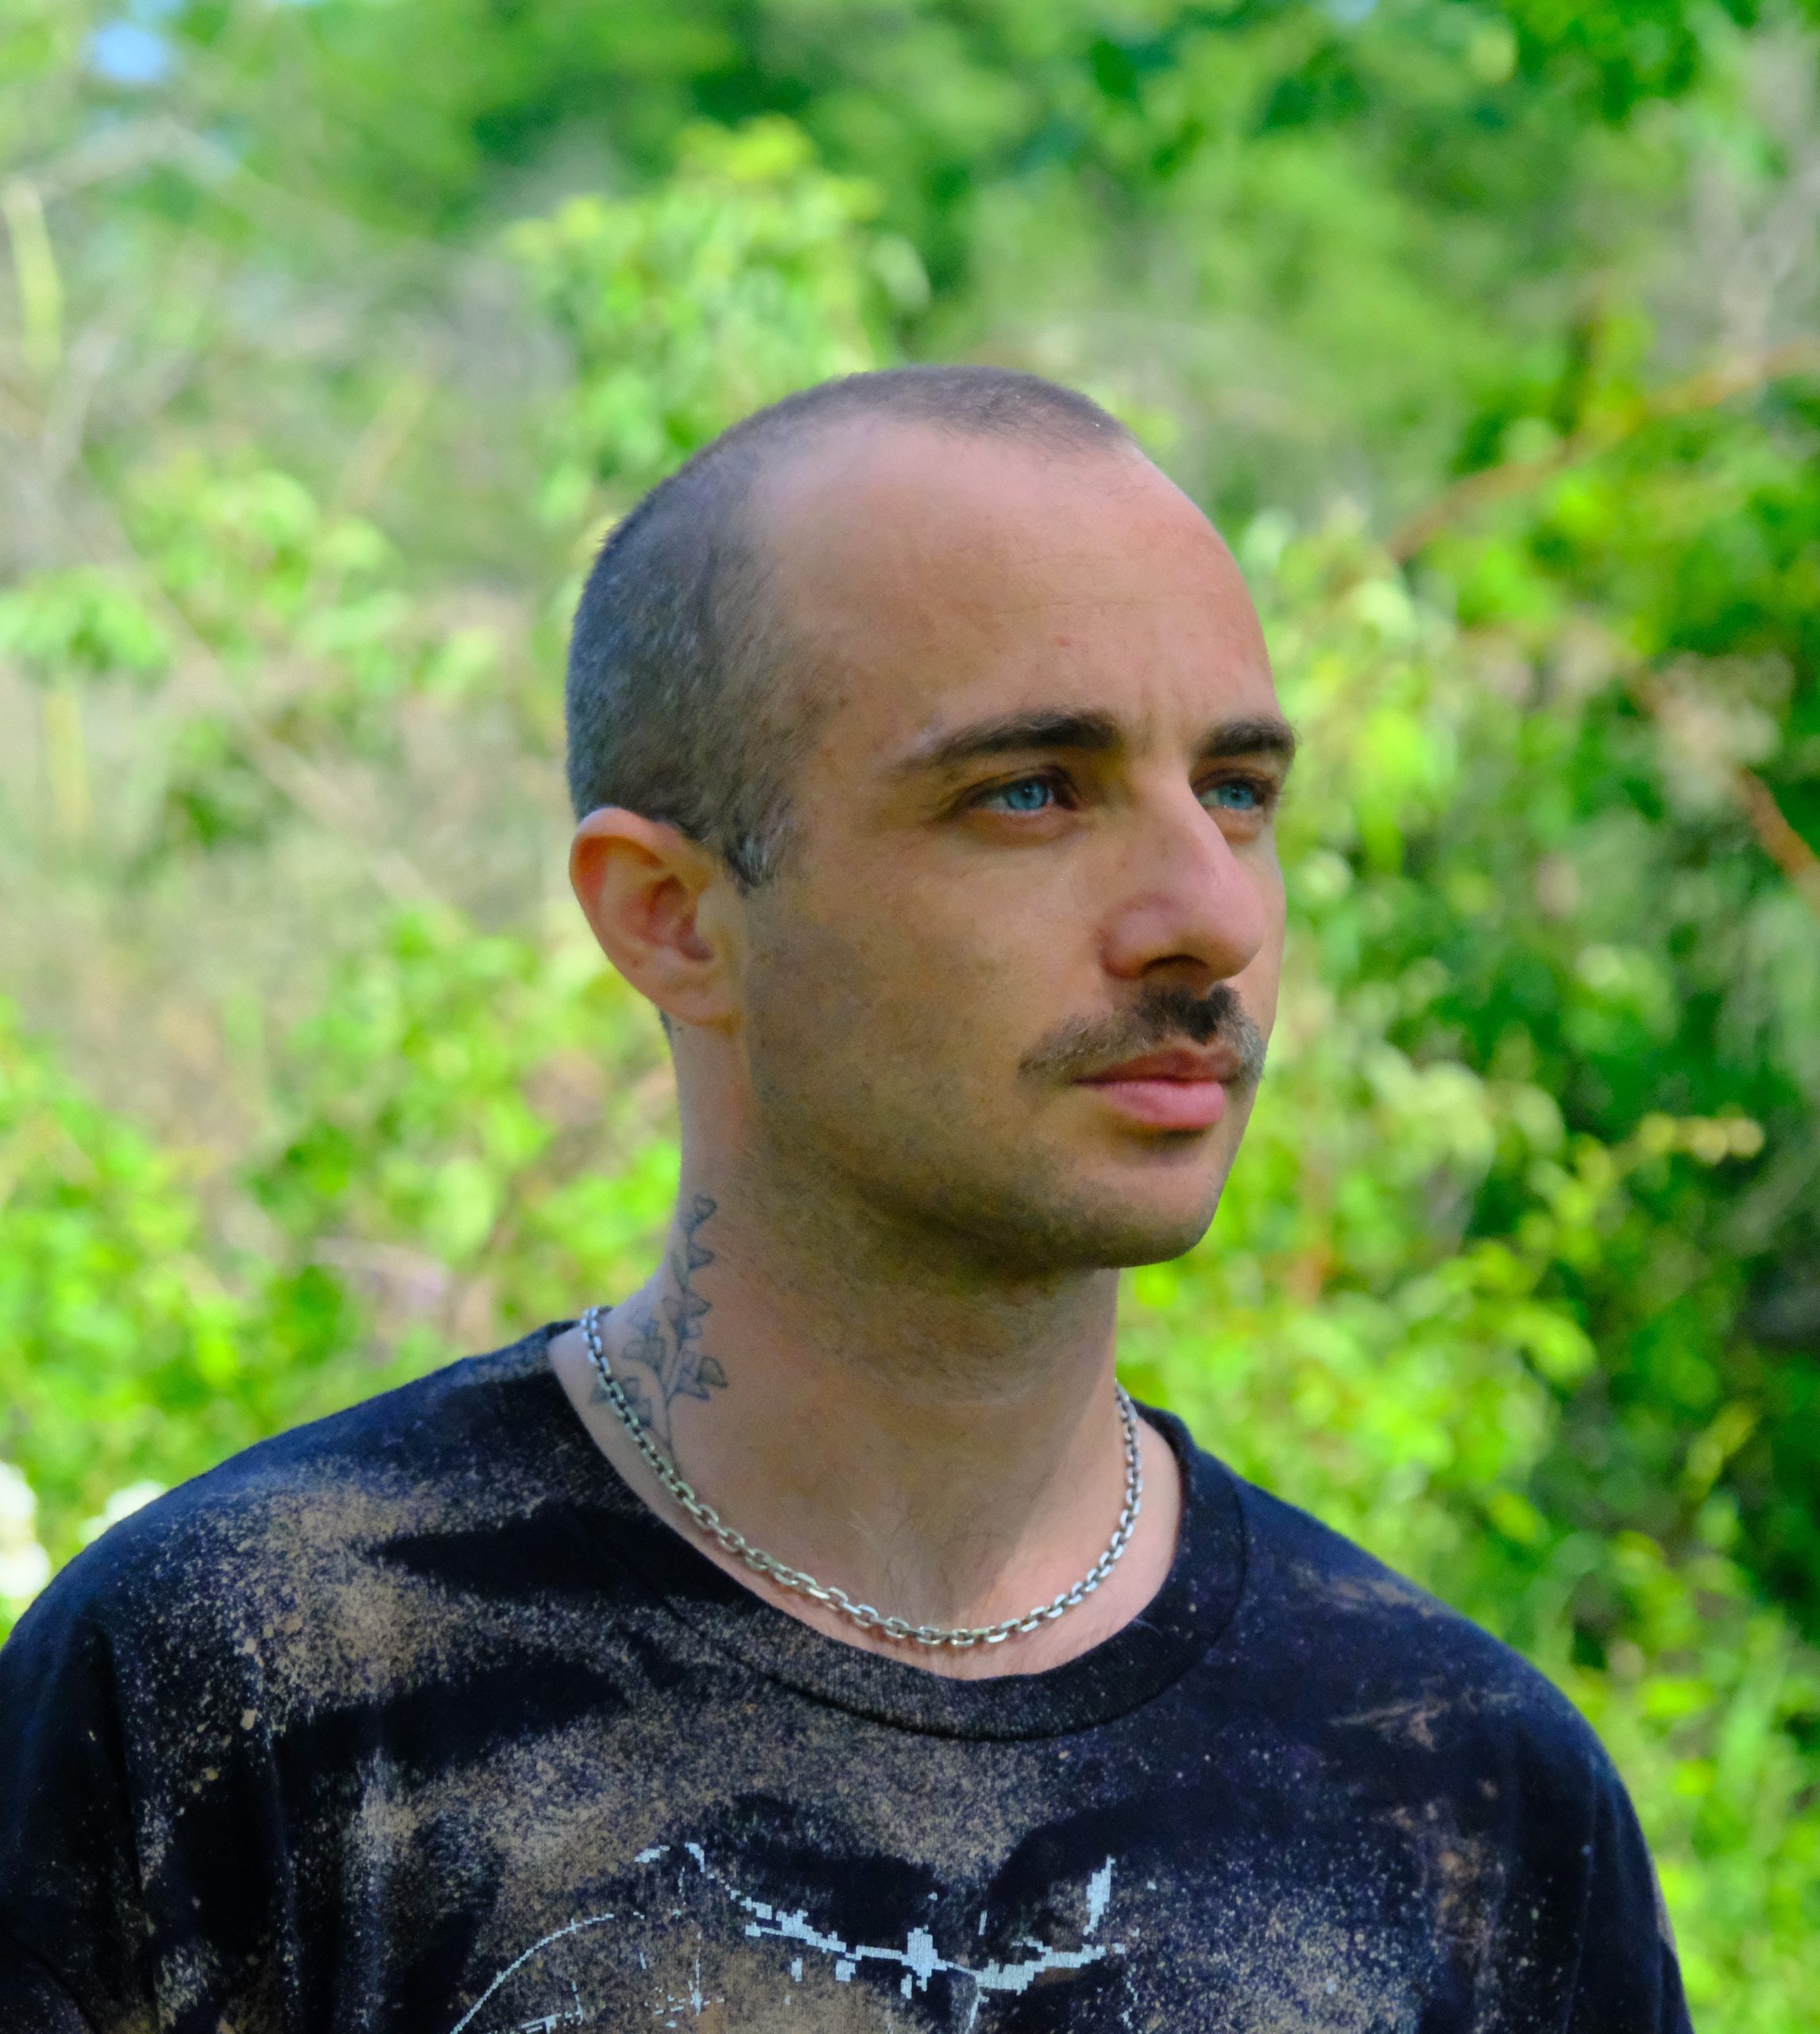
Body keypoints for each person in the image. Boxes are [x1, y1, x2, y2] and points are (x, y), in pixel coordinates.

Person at [0, 366, 1690, 2033]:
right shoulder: (238, 1695)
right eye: (1031, 792)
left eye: (1237, 792)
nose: (1212, 917)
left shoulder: (1466, 1795)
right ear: (670, 915)